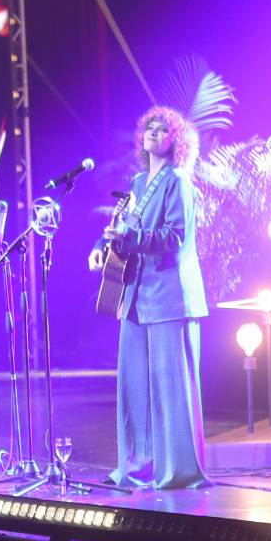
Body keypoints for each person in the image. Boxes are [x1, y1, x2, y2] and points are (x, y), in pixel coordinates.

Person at [89, 106, 211, 490]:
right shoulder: (140, 183)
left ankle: (179, 470)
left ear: (177, 140)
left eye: (163, 130)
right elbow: (121, 227)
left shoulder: (179, 182)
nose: (154, 133)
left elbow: (176, 238)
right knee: (134, 387)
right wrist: (101, 245)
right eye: (150, 129)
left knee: (170, 386)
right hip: (137, 296)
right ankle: (137, 466)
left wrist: (131, 241)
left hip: (170, 297)